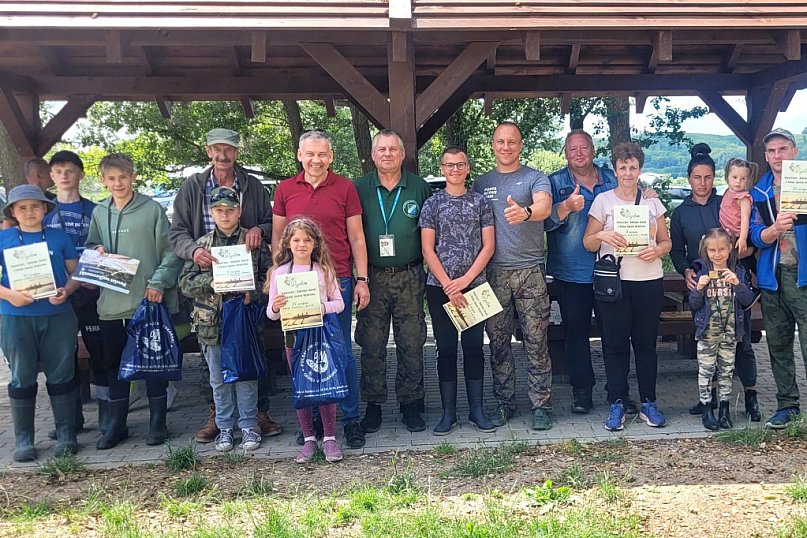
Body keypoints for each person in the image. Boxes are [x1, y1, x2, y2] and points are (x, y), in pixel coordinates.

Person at [169, 127, 279, 443]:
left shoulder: (253, 187)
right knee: (214, 367)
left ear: (236, 152)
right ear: (208, 152)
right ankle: (218, 419)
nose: (222, 154)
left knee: (251, 357)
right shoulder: (192, 188)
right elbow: (176, 234)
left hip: (246, 294)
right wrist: (195, 252)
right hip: (209, 297)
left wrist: (259, 228)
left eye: (228, 149)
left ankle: (256, 416)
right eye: (216, 149)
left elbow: (275, 224)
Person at [272, 130, 370, 449]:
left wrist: (362, 279)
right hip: (295, 285)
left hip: (335, 280)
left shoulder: (345, 187)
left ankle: (351, 419)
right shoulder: (285, 189)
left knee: (339, 355)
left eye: (323, 154)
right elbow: (277, 239)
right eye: (310, 154)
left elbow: (356, 237)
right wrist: (274, 279)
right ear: (299, 155)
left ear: (331, 156)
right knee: (303, 356)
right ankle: (313, 427)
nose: (316, 160)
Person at [86, 153, 184, 449]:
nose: (118, 183)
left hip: (148, 301)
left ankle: (157, 423)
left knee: (153, 363)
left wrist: (158, 283)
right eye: (111, 178)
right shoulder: (98, 213)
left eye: (123, 177)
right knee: (113, 363)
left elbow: (171, 253)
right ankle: (117, 425)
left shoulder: (152, 209)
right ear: (103, 180)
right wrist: (97, 250)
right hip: (112, 305)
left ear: (134, 177)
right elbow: (91, 245)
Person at [669, 144, 761, 421]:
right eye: (697, 177)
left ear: (715, 178)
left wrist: (743, 254)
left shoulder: (727, 202)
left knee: (741, 343)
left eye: (708, 177)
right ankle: (707, 398)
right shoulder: (680, 212)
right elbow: (676, 249)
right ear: (689, 179)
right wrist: (685, 270)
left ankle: (751, 396)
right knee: (707, 343)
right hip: (703, 285)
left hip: (733, 281)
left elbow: (748, 233)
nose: (702, 183)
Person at [472, 121, 554, 430]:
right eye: (500, 141)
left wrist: (527, 212)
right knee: (498, 342)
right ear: (493, 145)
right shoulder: (481, 183)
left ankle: (541, 405)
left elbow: (545, 207)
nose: (506, 147)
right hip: (493, 274)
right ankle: (504, 402)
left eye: (512, 142)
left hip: (530, 272)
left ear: (520, 145)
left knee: (536, 342)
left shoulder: (535, 178)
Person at [583, 142, 670, 431]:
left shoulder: (652, 202)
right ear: (615, 170)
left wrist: (657, 251)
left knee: (646, 345)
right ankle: (617, 402)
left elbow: (666, 242)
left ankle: (649, 402)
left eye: (633, 167)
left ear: (640, 169)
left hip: (648, 280)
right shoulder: (603, 201)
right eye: (623, 167)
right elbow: (588, 241)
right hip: (615, 284)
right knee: (615, 345)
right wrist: (605, 233)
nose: (628, 172)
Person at [179, 187, 269, 452]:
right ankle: (225, 428)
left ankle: (250, 426)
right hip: (212, 324)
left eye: (230, 210)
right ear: (212, 213)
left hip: (244, 324)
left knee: (246, 376)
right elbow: (185, 283)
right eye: (219, 210)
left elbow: (269, 279)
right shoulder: (202, 247)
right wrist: (212, 282)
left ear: (239, 211)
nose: (225, 215)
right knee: (218, 379)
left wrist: (252, 294)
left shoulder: (253, 244)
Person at [354, 129, 432, 434]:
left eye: (393, 149)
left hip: (410, 274)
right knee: (371, 343)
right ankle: (373, 405)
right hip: (371, 276)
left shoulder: (419, 187)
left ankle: (411, 403)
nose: (387, 154)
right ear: (373, 155)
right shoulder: (358, 188)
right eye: (381, 149)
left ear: (403, 155)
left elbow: (432, 231)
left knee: (411, 342)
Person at [0, 185, 80, 461]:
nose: (29, 212)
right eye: (22, 208)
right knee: (22, 375)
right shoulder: (3, 238)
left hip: (58, 315)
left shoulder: (60, 237)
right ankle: (24, 439)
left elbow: (76, 272)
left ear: (45, 209)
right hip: (16, 317)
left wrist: (68, 290)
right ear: (13, 212)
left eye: (35, 206)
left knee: (62, 374)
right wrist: (10, 295)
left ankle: (67, 434)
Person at [419, 146, 496, 435]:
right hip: (439, 288)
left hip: (475, 286)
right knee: (446, 349)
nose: (454, 170)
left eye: (459, 165)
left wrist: (465, 280)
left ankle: (477, 410)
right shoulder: (432, 204)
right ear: (442, 169)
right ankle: (448, 413)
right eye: (449, 165)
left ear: (467, 168)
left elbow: (488, 245)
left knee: (474, 348)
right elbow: (427, 247)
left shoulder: (480, 203)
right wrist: (449, 284)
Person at [546, 129, 617, 414]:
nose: (578, 153)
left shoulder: (612, 179)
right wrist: (564, 207)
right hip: (570, 272)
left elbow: (634, 204)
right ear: (565, 152)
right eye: (572, 149)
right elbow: (540, 224)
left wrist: (646, 194)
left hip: (610, 270)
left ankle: (617, 391)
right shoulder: (553, 182)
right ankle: (582, 393)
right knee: (576, 334)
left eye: (584, 148)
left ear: (593, 150)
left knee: (614, 332)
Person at [266, 217, 345, 463]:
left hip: (321, 338)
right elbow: (270, 313)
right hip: (294, 339)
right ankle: (309, 438)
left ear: (315, 244)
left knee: (325, 385)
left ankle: (330, 437)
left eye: (307, 240)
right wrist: (276, 306)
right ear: (288, 243)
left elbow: (340, 304)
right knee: (302, 386)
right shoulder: (279, 273)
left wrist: (322, 307)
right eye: (296, 240)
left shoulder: (323, 270)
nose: (301, 244)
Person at [43, 150, 104, 442]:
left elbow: (104, 248)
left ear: (81, 174)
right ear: (51, 177)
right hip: (56, 293)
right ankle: (70, 421)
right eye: (58, 171)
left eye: (70, 170)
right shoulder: (43, 211)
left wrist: (96, 276)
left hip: (91, 290)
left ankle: (108, 419)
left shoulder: (96, 210)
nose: (65, 176)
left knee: (100, 353)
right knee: (63, 357)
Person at [749, 128, 807, 428]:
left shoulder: (806, 182)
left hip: (804, 274)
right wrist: (772, 230)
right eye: (771, 151)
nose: (776, 156)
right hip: (773, 276)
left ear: (795, 151)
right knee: (779, 344)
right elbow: (753, 235)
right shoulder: (759, 191)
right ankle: (788, 405)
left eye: (782, 149)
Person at [689, 228, 754, 431]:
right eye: (712, 250)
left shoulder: (738, 272)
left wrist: (738, 285)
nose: (717, 254)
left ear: (729, 250)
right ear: (705, 252)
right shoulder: (701, 273)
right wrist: (699, 289)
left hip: (730, 333)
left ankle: (724, 410)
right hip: (707, 334)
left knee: (726, 372)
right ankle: (707, 408)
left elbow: (747, 301)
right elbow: (693, 304)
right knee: (706, 372)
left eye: (722, 249)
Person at [720, 158, 759, 258]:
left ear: (748, 180)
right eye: (735, 177)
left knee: (734, 259)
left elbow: (745, 219)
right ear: (727, 177)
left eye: (743, 179)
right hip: (726, 234)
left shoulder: (743, 198)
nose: (738, 181)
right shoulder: (727, 192)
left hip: (737, 235)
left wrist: (742, 238)